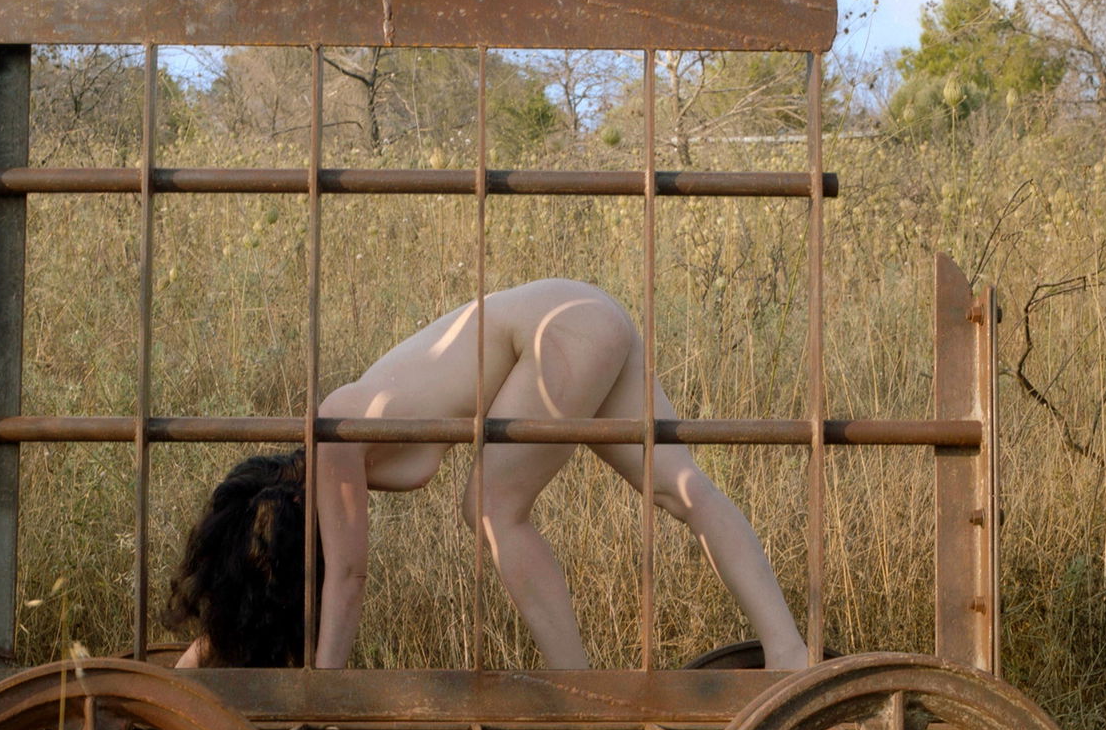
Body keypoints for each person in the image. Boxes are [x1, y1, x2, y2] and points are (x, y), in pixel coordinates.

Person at [167, 279, 807, 672]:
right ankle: (787, 652)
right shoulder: (347, 432)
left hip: (561, 329)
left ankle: (580, 691)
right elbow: (309, 582)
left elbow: (348, 575)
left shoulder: (331, 433)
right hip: (582, 314)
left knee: (492, 508)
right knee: (681, 486)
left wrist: (327, 694)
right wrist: (189, 667)